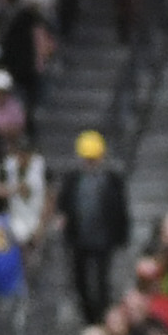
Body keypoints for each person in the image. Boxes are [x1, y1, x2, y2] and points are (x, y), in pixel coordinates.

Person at [60, 129, 130, 324]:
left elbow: (120, 209)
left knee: (101, 281)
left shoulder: (112, 180)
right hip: (79, 239)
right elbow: (64, 203)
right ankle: (88, 316)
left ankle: (102, 316)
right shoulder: (73, 179)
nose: (90, 163)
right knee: (80, 281)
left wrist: (122, 236)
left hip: (103, 239)